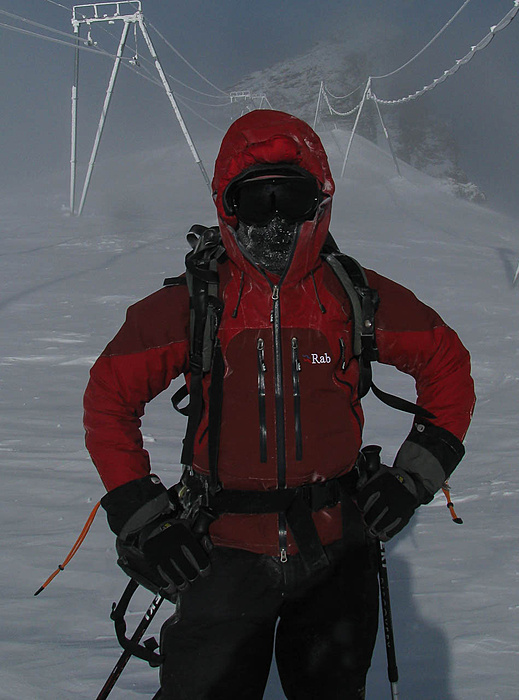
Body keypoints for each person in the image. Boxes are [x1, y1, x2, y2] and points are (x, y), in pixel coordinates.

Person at [84, 110, 475, 699]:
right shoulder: (196, 304)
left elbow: (446, 363)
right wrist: (146, 518)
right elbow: (109, 399)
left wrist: (411, 478)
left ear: (318, 201)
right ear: (228, 206)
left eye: (289, 199)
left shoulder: (352, 296)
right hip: (220, 553)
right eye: (255, 200)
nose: (273, 222)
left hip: (336, 552)